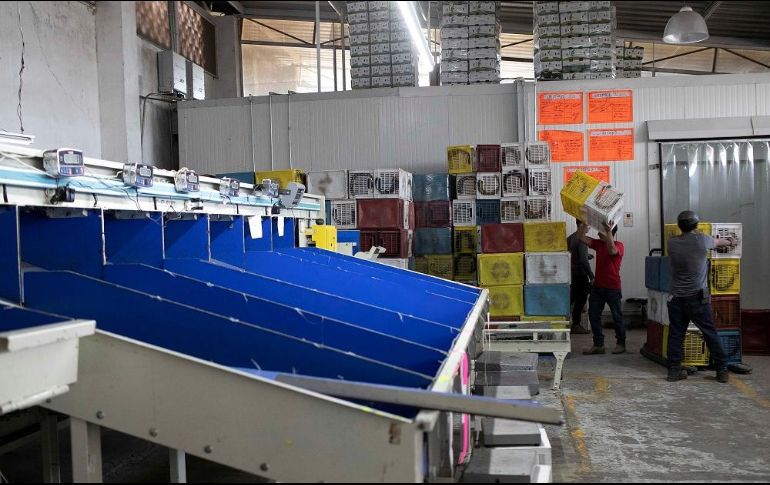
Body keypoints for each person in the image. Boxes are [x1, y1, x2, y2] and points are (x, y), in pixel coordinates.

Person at [666, 210, 736, 383]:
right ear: (696, 225)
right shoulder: (702, 240)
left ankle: (674, 371)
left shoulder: (672, 243)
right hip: (696, 298)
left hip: (676, 298)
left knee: (676, 335)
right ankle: (722, 369)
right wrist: (731, 240)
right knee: (710, 333)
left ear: (679, 225)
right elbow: (722, 242)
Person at [580, 222, 626, 355]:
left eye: (601, 231)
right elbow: (581, 238)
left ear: (609, 232)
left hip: (613, 288)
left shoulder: (619, 245)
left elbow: (612, 250)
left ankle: (621, 343)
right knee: (593, 315)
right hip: (598, 287)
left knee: (617, 316)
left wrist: (608, 231)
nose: (598, 233)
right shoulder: (598, 244)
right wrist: (583, 225)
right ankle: (598, 345)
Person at [567, 220, 593, 334]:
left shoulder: (570, 238)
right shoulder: (582, 240)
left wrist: (587, 255)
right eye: (588, 225)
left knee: (570, 299)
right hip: (580, 274)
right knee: (580, 300)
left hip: (571, 273)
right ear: (581, 225)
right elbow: (583, 260)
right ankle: (576, 324)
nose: (589, 228)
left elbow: (571, 254)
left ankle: (562, 321)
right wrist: (591, 276)